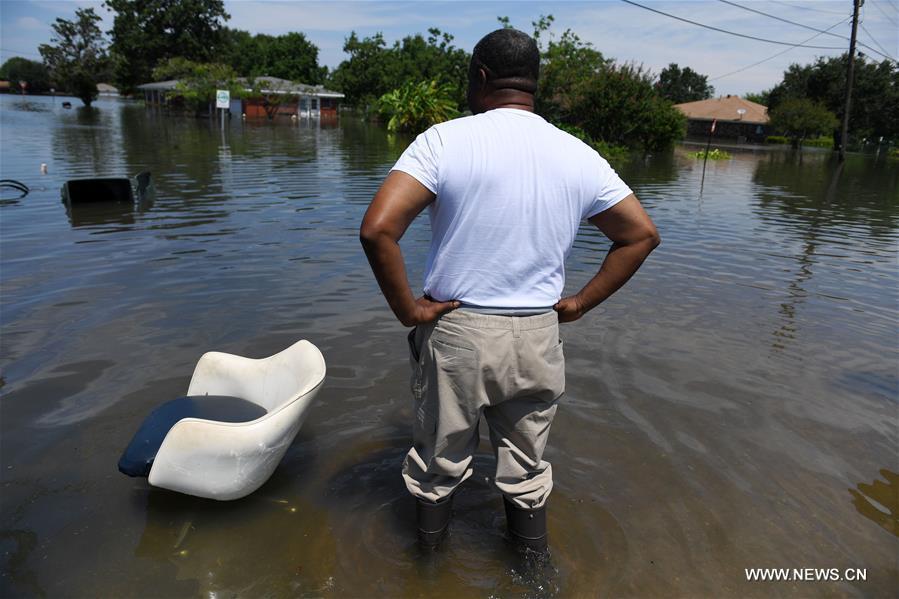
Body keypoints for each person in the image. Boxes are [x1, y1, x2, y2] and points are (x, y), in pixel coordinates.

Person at [360, 28, 660, 553]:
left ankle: (428, 572)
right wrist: (580, 303)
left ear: (480, 76)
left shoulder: (443, 140)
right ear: (534, 83)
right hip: (539, 334)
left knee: (438, 466)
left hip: (459, 332)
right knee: (526, 471)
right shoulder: (579, 154)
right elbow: (640, 235)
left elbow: (378, 229)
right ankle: (533, 571)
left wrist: (409, 309)